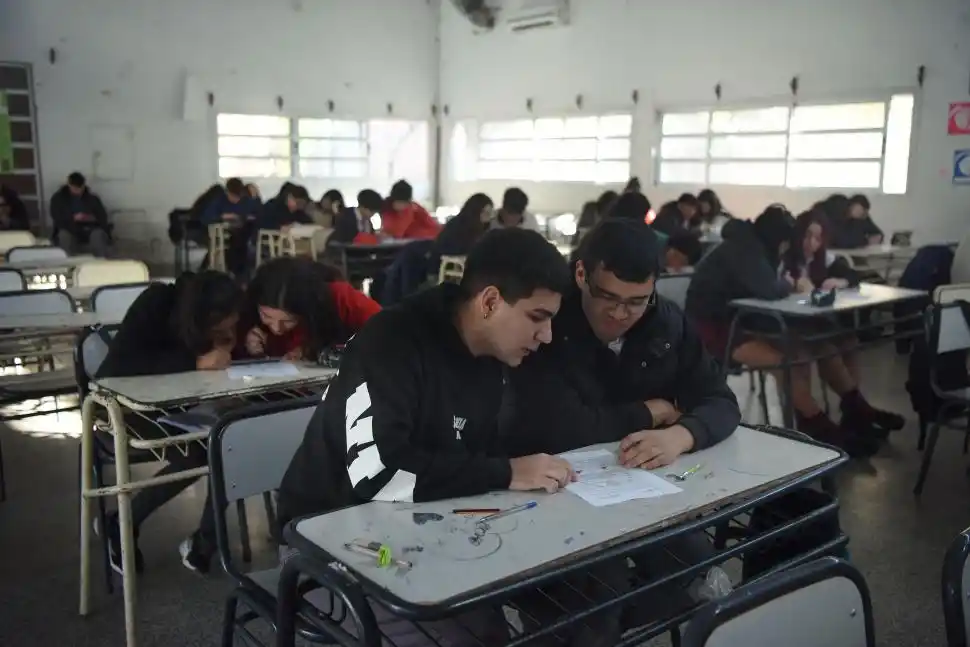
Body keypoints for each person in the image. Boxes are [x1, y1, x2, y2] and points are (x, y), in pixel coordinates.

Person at [276, 228, 573, 645]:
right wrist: (507, 473)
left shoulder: (491, 355)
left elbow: (471, 457)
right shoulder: (391, 341)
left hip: (419, 523)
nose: (547, 335)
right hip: (327, 535)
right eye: (537, 318)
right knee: (464, 635)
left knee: (561, 594)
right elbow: (378, 475)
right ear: (490, 302)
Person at [508, 219, 739, 643]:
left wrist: (680, 436)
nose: (619, 314)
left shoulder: (665, 324)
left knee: (693, 565)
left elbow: (720, 400)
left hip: (639, 492)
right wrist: (650, 413)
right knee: (596, 593)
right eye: (608, 297)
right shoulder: (547, 324)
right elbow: (558, 427)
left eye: (635, 301)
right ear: (581, 274)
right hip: (555, 495)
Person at [685, 206, 895, 457]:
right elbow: (769, 288)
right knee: (784, 361)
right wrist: (790, 284)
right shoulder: (744, 249)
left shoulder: (750, 244)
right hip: (713, 330)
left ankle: (852, 410)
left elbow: (767, 288)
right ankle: (821, 427)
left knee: (820, 346)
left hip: (744, 320)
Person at [96, 271, 244, 574]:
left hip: (174, 405)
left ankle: (204, 541)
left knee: (228, 440)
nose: (228, 329)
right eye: (221, 325)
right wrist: (195, 363)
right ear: (203, 316)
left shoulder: (210, 319)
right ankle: (122, 522)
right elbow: (120, 367)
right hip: (121, 408)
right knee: (198, 453)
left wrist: (236, 345)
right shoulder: (157, 301)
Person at [238, 257, 380, 362]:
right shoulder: (248, 313)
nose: (277, 328)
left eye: (289, 321)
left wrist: (319, 351)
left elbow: (387, 330)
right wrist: (251, 349)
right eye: (267, 316)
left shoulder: (338, 297)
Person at [200, 178, 261, 276]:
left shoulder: (246, 201)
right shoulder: (220, 201)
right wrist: (222, 217)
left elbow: (259, 213)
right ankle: (238, 272)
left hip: (244, 232)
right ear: (227, 192)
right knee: (237, 242)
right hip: (226, 233)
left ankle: (241, 272)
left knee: (244, 235)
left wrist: (256, 197)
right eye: (233, 196)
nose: (236, 200)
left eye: (238, 197)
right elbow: (206, 218)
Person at [50, 172, 111, 256]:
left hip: (89, 228)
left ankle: (100, 260)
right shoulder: (58, 199)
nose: (78, 191)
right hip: (68, 228)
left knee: (98, 235)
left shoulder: (92, 198)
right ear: (69, 185)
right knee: (64, 236)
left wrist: (92, 218)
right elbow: (56, 217)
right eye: (75, 189)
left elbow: (102, 216)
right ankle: (68, 260)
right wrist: (73, 218)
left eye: (80, 188)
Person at [432, 192, 493, 258]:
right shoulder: (457, 227)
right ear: (475, 211)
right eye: (486, 213)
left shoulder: (484, 227)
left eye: (490, 213)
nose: (489, 217)